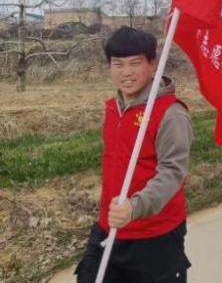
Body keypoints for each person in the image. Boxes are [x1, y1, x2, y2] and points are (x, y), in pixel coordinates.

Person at [75, 27, 193, 282]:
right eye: (118, 64)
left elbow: (173, 172)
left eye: (135, 63)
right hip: (110, 226)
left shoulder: (171, 113)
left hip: (155, 235)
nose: (126, 72)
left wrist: (135, 206)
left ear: (152, 64)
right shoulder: (113, 107)